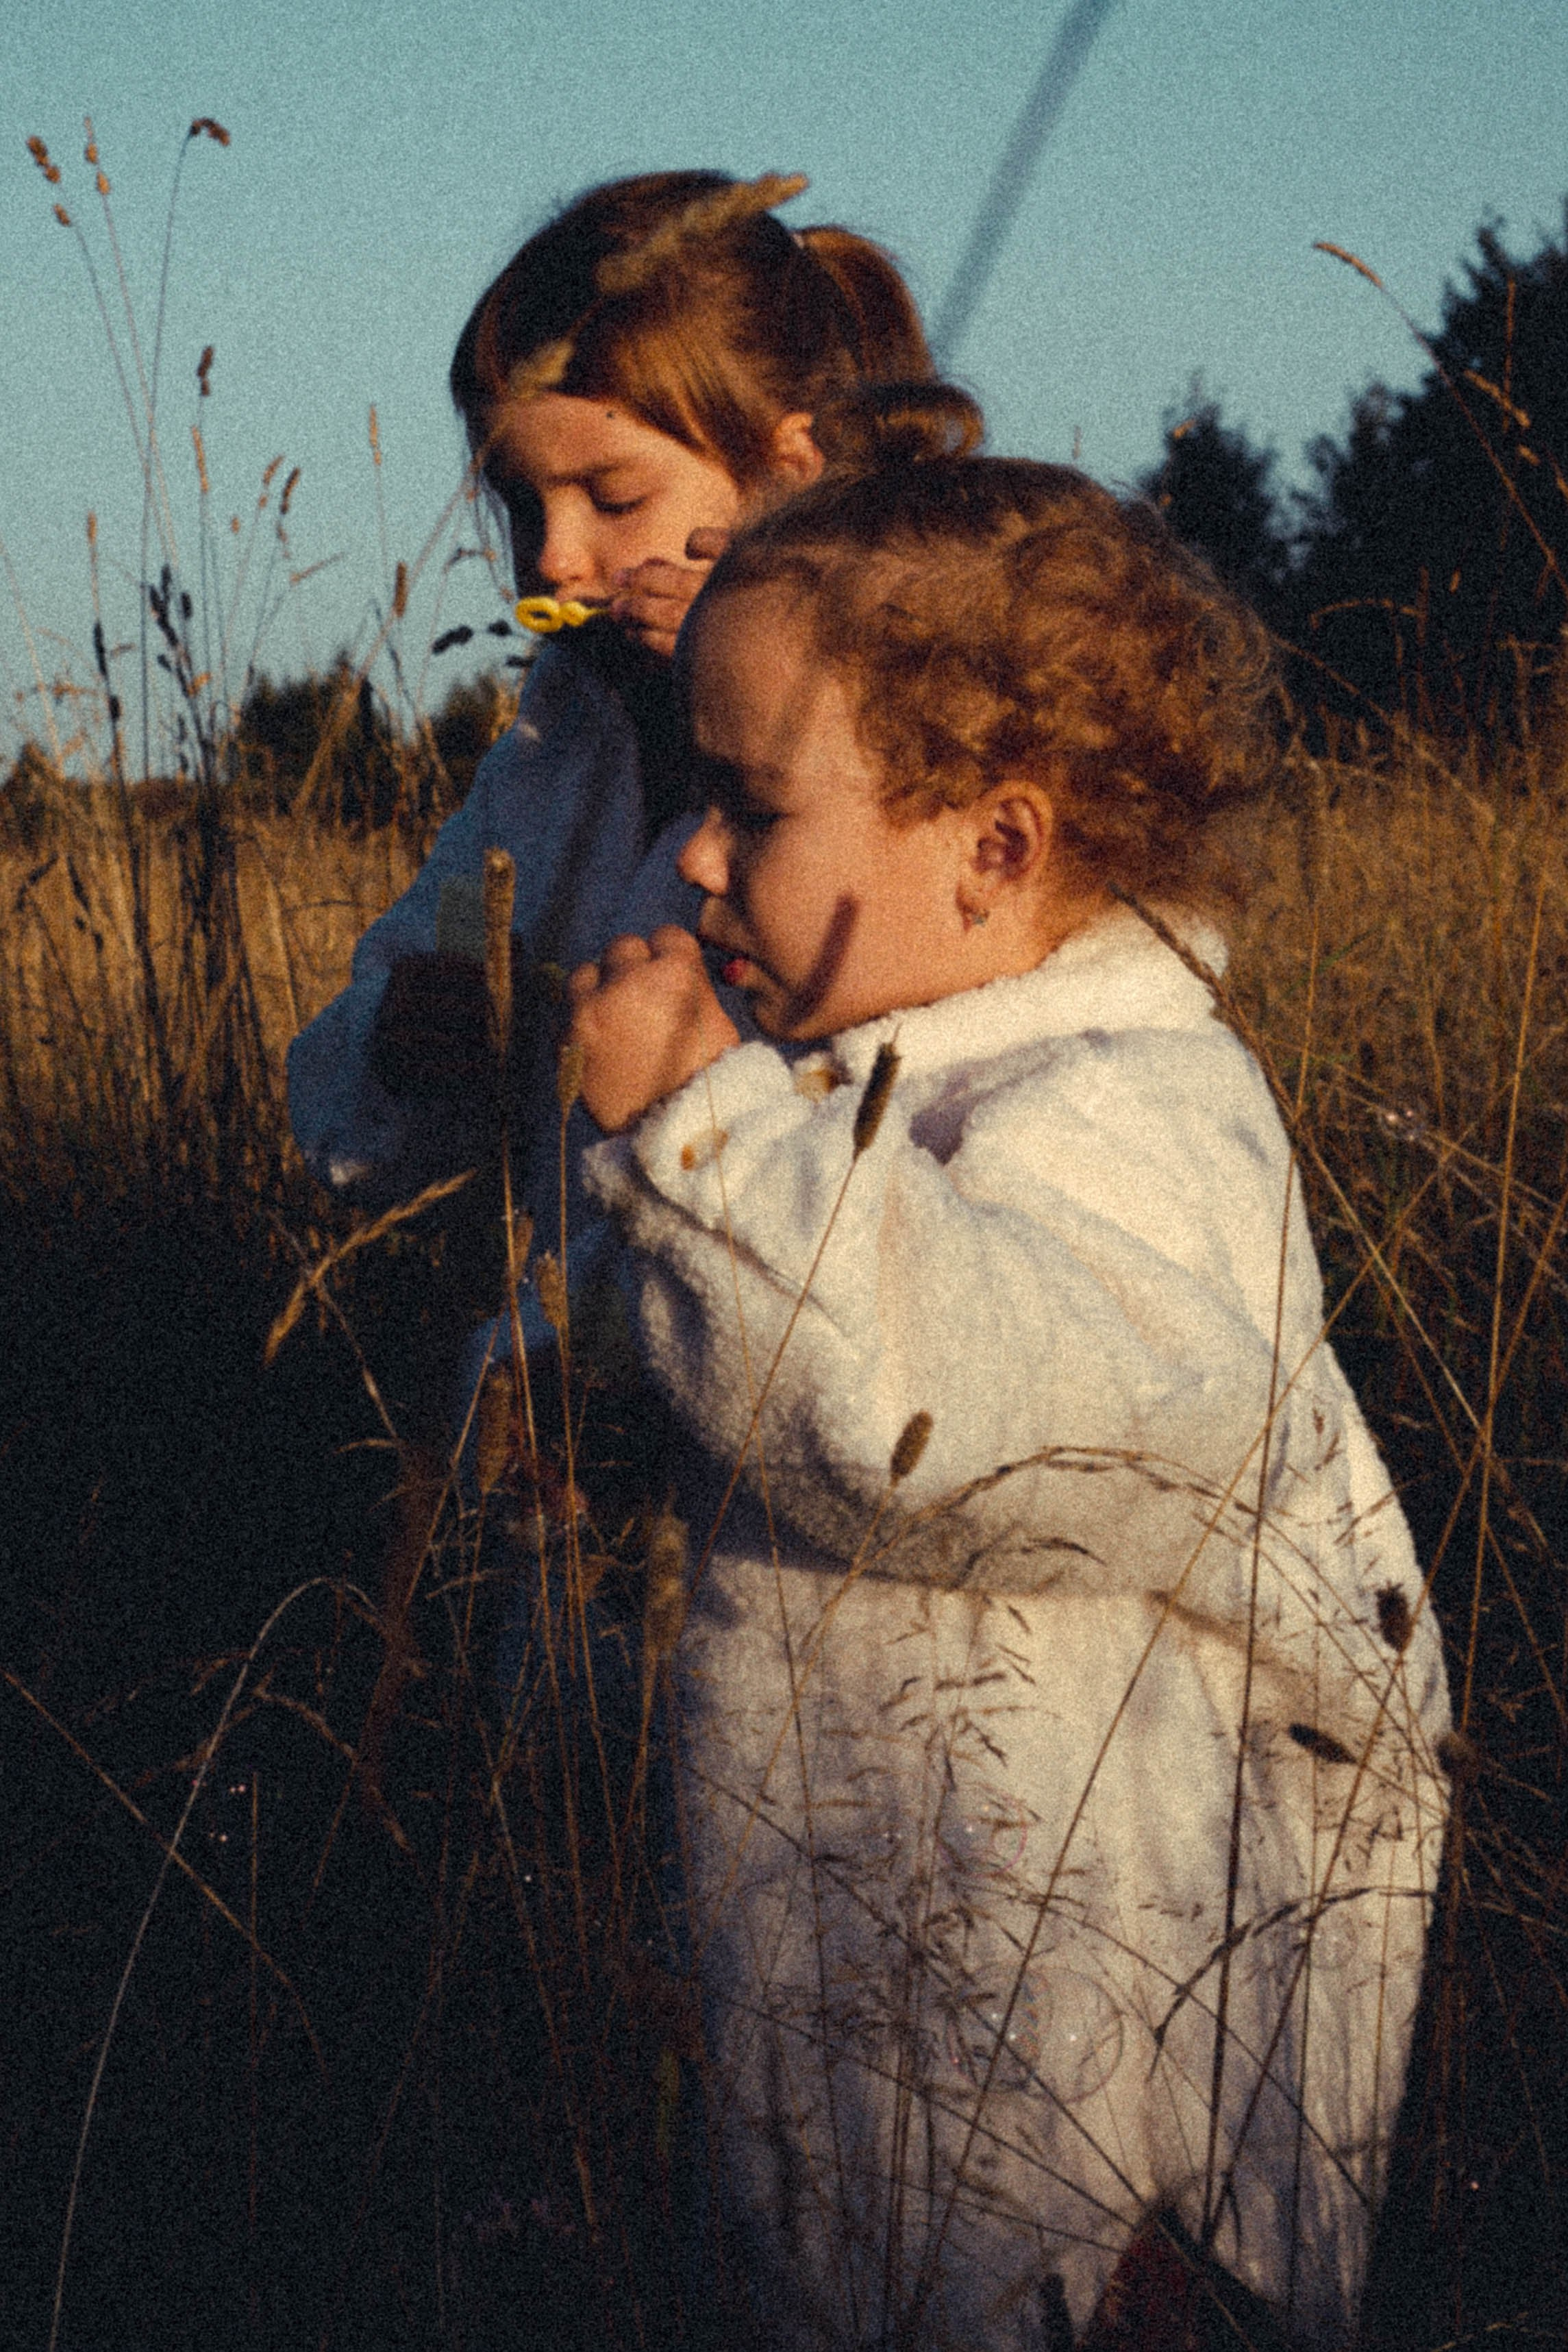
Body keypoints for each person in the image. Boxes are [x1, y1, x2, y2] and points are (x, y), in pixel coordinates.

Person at [565, 391, 1453, 2350]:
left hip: (1108, 2165)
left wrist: (700, 1140)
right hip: (867, 2053)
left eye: (754, 808)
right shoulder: (852, 1089)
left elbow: (923, 1423)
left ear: (993, 844)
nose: (693, 857)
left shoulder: (1140, 1121)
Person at [286, 168, 938, 1311]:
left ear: (790, 478)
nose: (552, 558)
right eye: (520, 503)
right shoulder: (554, 748)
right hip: (559, 1380)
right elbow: (349, 1112)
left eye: (613, 497)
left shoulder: (922, 748)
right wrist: (399, 1045)